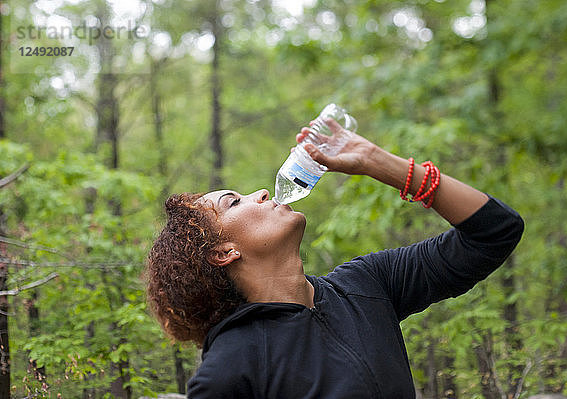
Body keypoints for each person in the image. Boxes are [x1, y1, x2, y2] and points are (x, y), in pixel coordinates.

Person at [145, 119, 524, 398]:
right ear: (223, 252)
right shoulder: (232, 367)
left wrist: (377, 161)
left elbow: (495, 232)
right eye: (233, 202)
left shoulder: (366, 284)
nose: (260, 192)